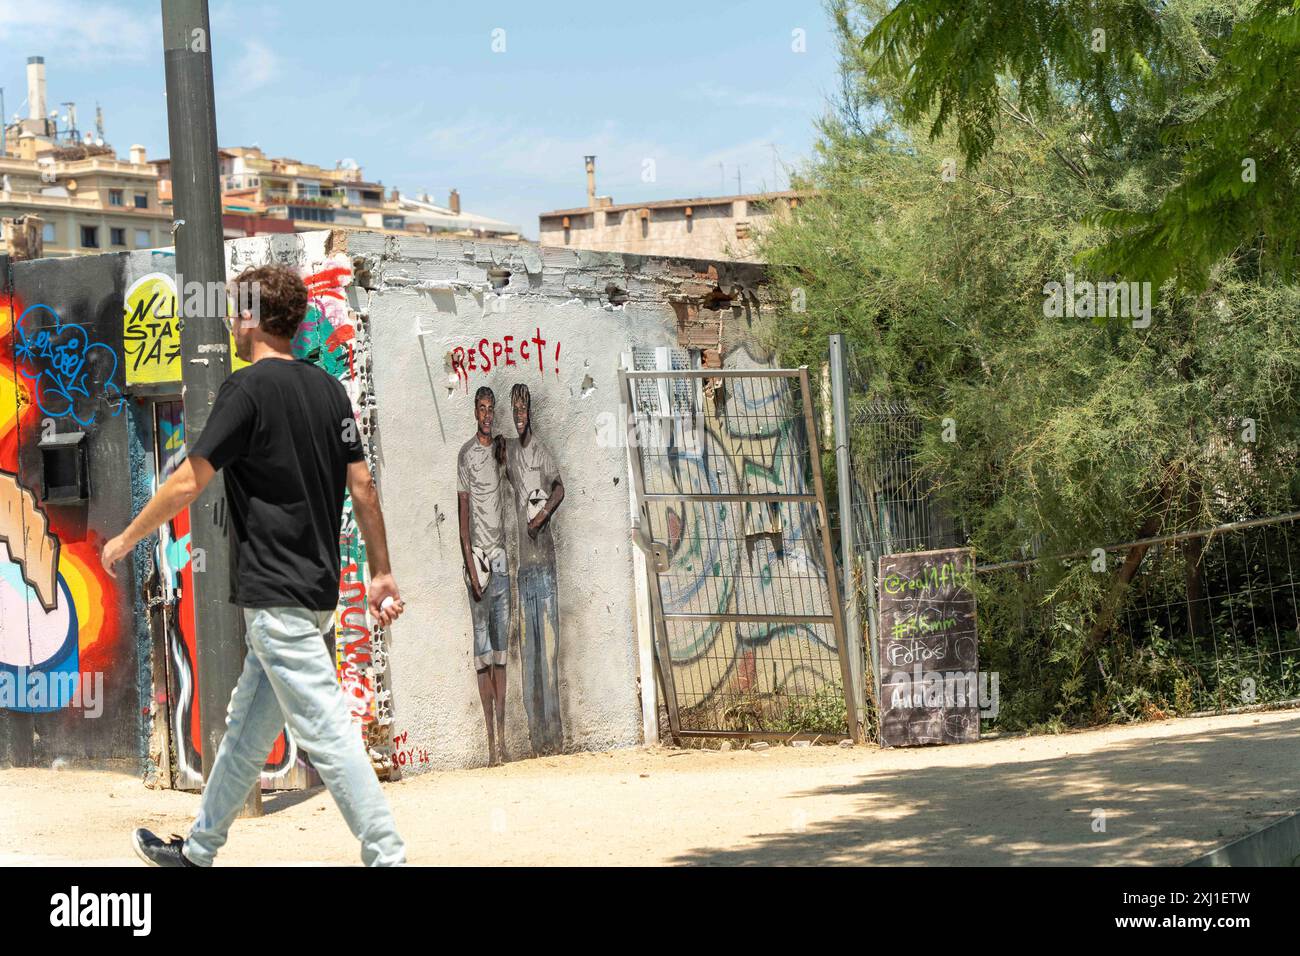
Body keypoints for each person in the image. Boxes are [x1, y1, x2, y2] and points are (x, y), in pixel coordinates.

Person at [101, 263, 407, 867]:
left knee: (326, 731)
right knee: (245, 728)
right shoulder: (329, 391)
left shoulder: (246, 390)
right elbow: (364, 485)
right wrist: (380, 572)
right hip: (314, 595)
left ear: (253, 317)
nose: (229, 321)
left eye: (236, 310)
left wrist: (128, 537)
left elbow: (189, 479)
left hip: (277, 594)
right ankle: (199, 848)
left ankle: (387, 856)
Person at [504, 383, 565, 755]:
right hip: (523, 568)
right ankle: (534, 733)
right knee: (529, 653)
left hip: (545, 565)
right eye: (515, 410)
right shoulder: (509, 451)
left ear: (531, 411)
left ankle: (554, 735)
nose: (520, 415)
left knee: (549, 651)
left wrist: (541, 516)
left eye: (524, 408)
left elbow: (559, 489)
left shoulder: (542, 452)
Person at [458, 386, 511, 767]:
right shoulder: (466, 456)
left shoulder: (501, 451)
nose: (487, 414)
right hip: (478, 561)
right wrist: (471, 569)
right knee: (482, 655)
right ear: (475, 412)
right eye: (482, 408)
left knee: (502, 653)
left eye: (492, 408)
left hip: (502, 559)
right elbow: (462, 519)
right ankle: (490, 744)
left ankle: (505, 740)